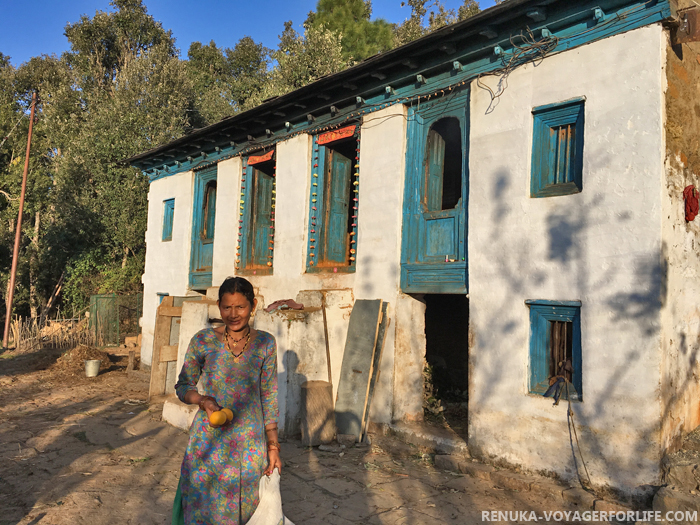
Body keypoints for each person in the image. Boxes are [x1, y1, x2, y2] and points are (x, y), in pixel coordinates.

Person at [173, 276, 281, 524]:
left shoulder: (265, 343)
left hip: (249, 445)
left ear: (252, 305)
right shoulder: (203, 340)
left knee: (248, 509)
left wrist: (273, 448)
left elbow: (269, 397)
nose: (233, 314)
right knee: (204, 508)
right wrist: (202, 400)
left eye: (240, 307)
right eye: (226, 307)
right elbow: (183, 386)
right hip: (209, 441)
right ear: (219, 306)